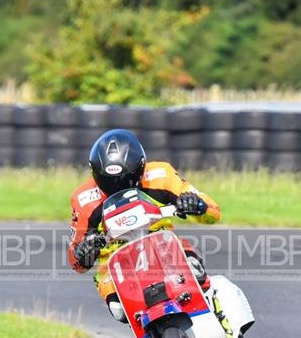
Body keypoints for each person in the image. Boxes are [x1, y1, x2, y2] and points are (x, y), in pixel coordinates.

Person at [67, 128, 225, 326]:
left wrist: (196, 205)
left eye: (125, 180)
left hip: (163, 245)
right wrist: (84, 252)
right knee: (118, 308)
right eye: (109, 182)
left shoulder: (161, 175)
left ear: (141, 167)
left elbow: (214, 212)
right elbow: (75, 260)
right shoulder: (83, 199)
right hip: (115, 263)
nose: (118, 187)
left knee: (196, 272)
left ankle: (220, 318)